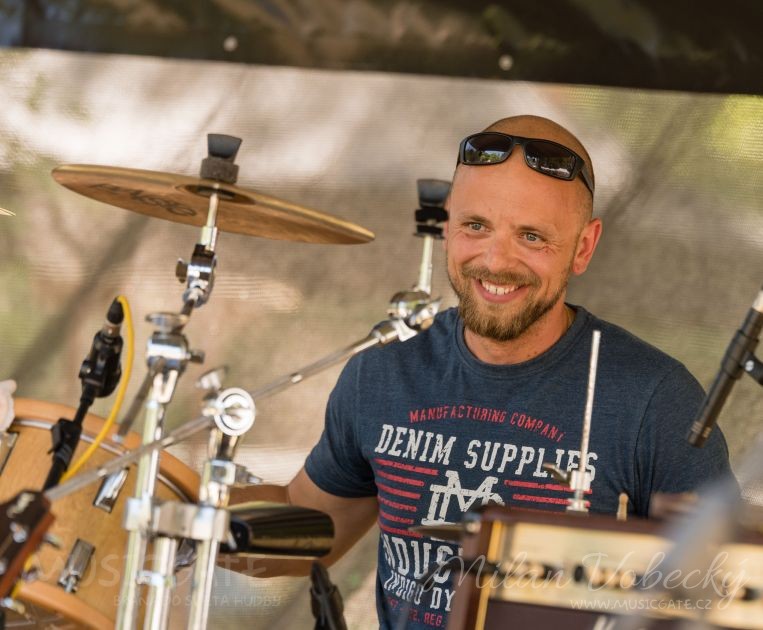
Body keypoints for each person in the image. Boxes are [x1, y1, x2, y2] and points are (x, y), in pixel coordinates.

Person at [227, 115, 732, 629]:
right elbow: (309, 530)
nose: (495, 260)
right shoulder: (383, 371)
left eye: (531, 236)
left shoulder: (654, 399)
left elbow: (725, 591)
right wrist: (191, 510)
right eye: (475, 226)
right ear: (447, 222)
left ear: (583, 246)